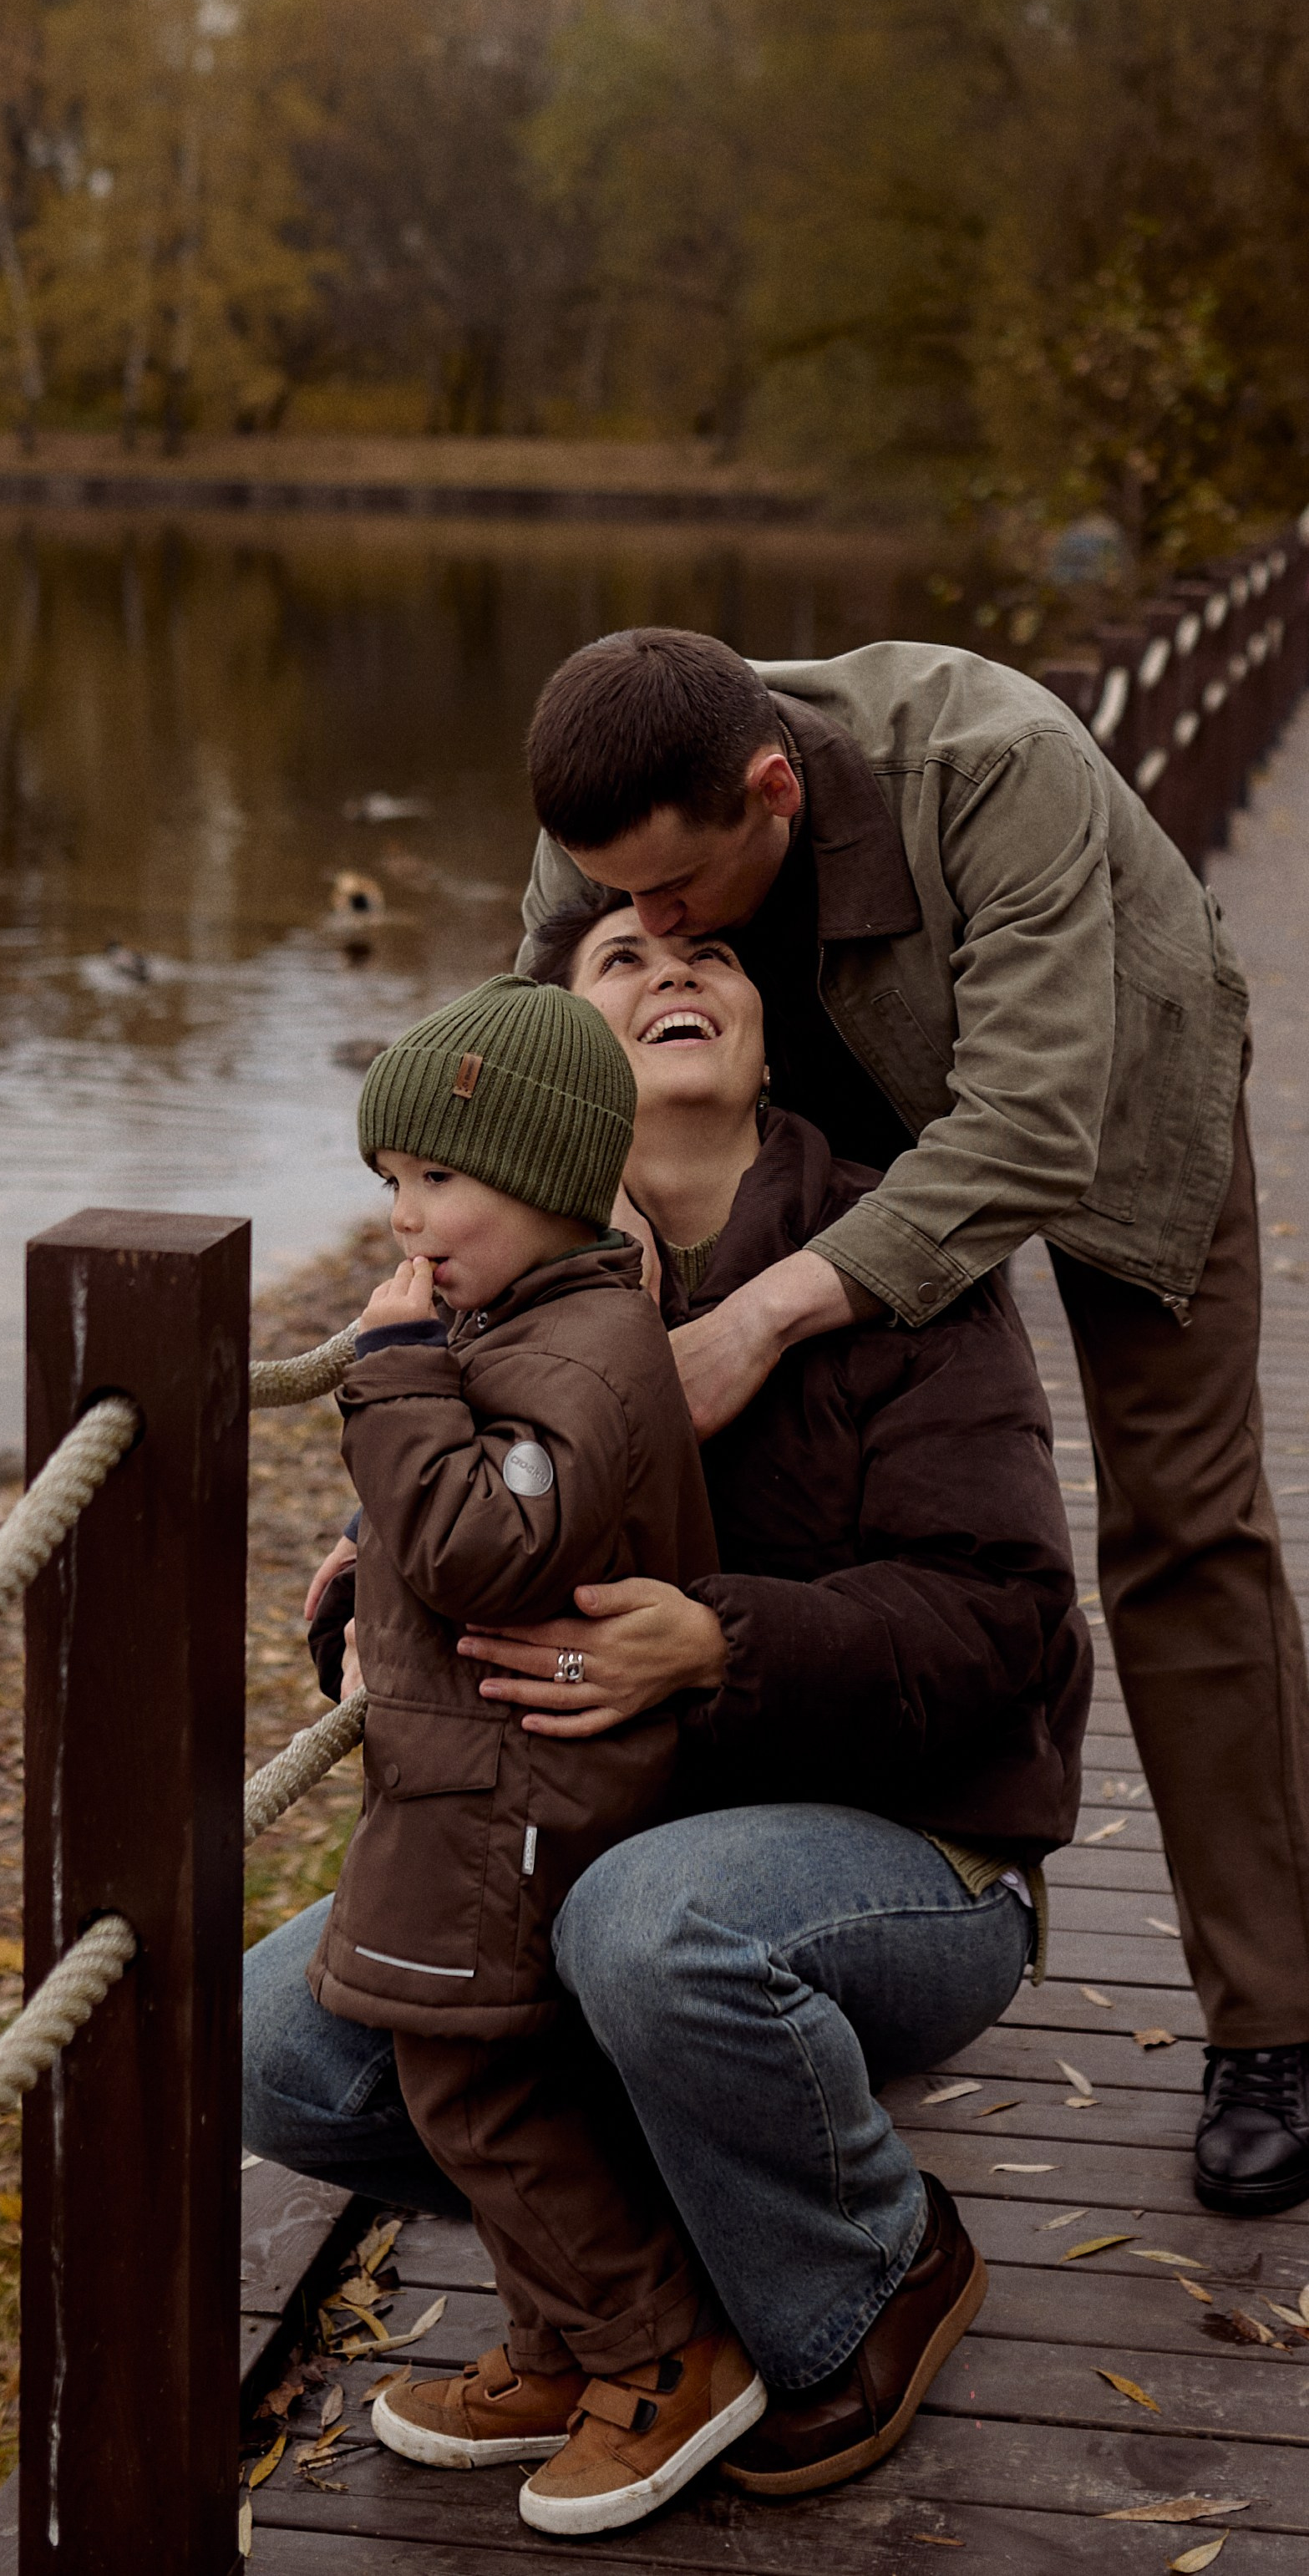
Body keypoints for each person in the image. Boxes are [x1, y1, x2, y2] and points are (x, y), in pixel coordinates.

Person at [251, 904, 1088, 2502]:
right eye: (619, 960)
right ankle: (631, 2305)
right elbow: (466, 1561)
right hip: (600, 1825)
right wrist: (367, 1590)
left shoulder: (894, 1258)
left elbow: (1009, 1623)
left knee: (647, 1928)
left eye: (709, 952)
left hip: (913, 1848)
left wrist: (716, 1641)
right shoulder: (484, 1278)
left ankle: (870, 2267)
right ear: (552, 1077)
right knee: (283, 2044)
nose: (673, 971)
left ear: (771, 1030)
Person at [515, 627, 1309, 2216]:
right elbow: (524, 1077)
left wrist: (763, 1308)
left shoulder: (994, 760)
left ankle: (1279, 2021)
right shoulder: (610, 818)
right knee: (754, 1464)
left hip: (1103, 1090)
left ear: (771, 786)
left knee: (1182, 1523)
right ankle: (808, 1921)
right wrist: (433, 1287)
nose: (643, 925)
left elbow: (1027, 1124)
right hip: (806, 1081)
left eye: (675, 895)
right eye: (619, 902)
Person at [316, 971, 766, 2538]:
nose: (405, 1220)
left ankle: (661, 2355)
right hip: (479, 1791)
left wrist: (385, 1381)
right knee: (481, 2081)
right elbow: (442, 1543)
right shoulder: (529, 1322)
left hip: (518, 1803)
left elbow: (481, 1543)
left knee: (484, 2088)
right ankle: (563, 2347)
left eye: (441, 1178)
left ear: (552, 1176)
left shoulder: (572, 1352)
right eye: (389, 1183)